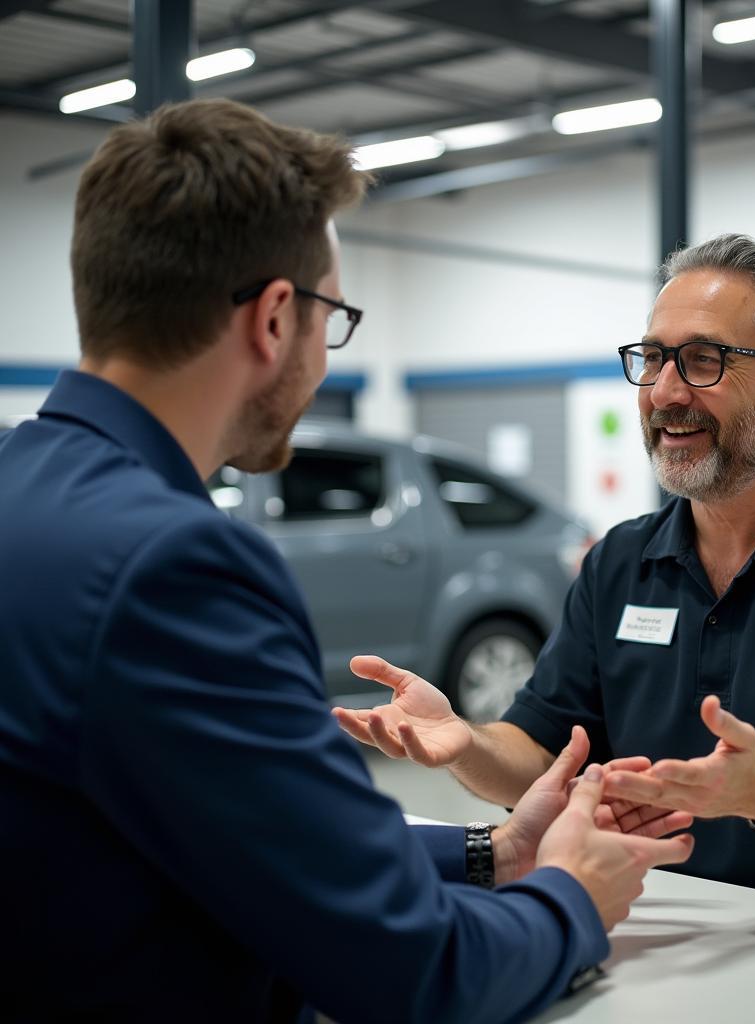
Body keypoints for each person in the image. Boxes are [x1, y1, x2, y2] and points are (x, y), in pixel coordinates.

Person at [0, 98, 697, 1024]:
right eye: (333, 315)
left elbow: (249, 838)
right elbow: (415, 973)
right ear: (276, 319)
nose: (327, 358)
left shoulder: (23, 484)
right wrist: (572, 898)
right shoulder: (175, 566)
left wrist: (493, 856)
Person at [336, 233, 755, 930]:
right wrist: (466, 743)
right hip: (672, 936)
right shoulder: (621, 563)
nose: (665, 392)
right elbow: (542, 758)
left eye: (704, 361)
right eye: (652, 358)